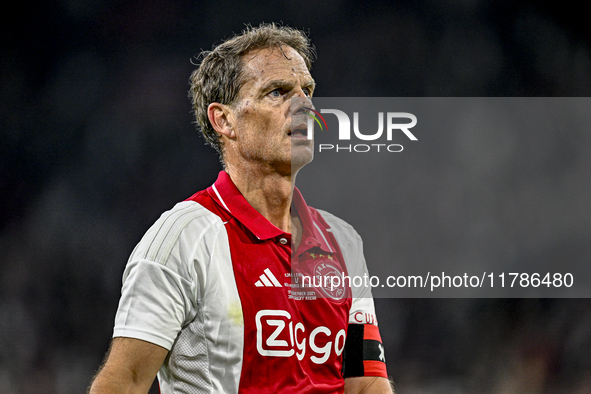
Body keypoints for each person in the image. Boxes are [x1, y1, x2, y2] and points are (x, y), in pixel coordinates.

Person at [88, 23, 393, 394]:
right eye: (277, 92)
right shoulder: (183, 238)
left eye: (307, 91)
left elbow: (366, 384)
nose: (304, 106)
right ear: (225, 120)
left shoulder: (344, 242)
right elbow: (125, 382)